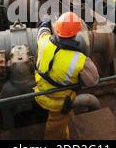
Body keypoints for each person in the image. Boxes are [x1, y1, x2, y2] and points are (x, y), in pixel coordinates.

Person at [34, 12, 99, 140]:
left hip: (39, 93)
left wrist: (45, 22)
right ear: (76, 33)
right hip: (59, 102)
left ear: (57, 29)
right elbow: (93, 80)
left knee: (58, 126)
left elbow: (42, 31)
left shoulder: (44, 42)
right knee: (55, 128)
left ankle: (62, 134)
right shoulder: (79, 59)